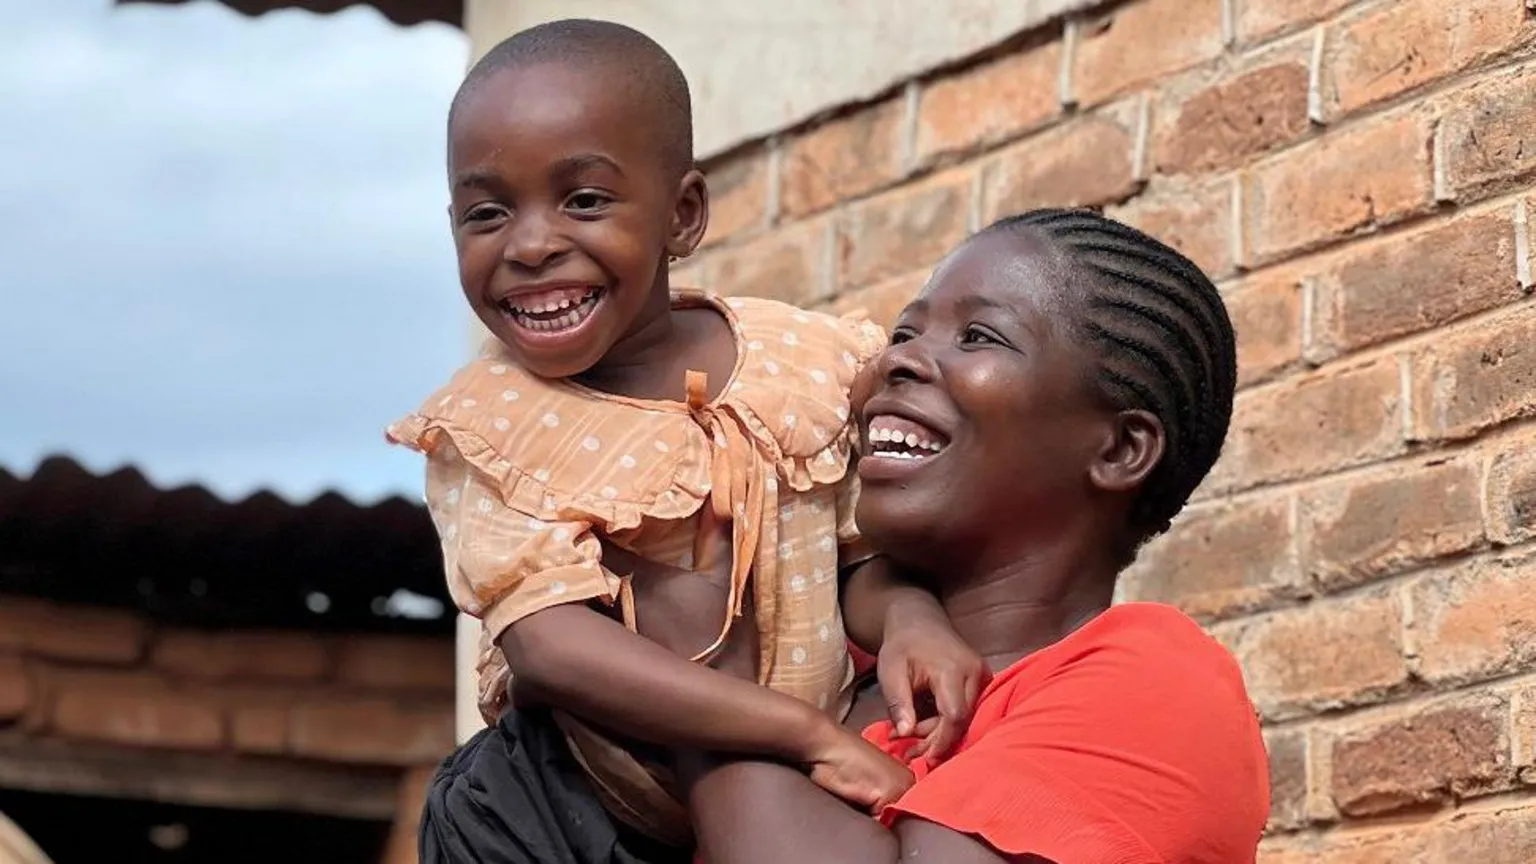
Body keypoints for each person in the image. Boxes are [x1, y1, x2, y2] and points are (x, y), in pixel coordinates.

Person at [389, 19, 987, 863]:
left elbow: (848, 558)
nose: (529, 244)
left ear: (683, 213)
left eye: (584, 200)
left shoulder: (802, 366)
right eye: (487, 213)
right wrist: (800, 735)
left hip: (767, 802)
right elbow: (552, 649)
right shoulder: (495, 425)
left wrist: (914, 623)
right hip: (560, 811)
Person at [680, 209, 1272, 863]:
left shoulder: (1159, 691)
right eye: (905, 332)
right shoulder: (824, 653)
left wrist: (706, 685)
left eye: (978, 337)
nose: (899, 358)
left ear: (1120, 449)